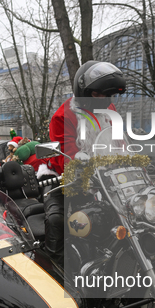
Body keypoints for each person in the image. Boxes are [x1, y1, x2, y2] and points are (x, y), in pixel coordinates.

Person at [45, 61, 126, 261]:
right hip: (66, 178)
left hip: (105, 177)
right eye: (98, 94)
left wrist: (128, 158)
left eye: (107, 95)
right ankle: (57, 268)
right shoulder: (64, 116)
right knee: (57, 220)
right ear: (84, 92)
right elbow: (67, 156)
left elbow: (119, 141)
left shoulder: (110, 109)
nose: (104, 99)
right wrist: (84, 167)